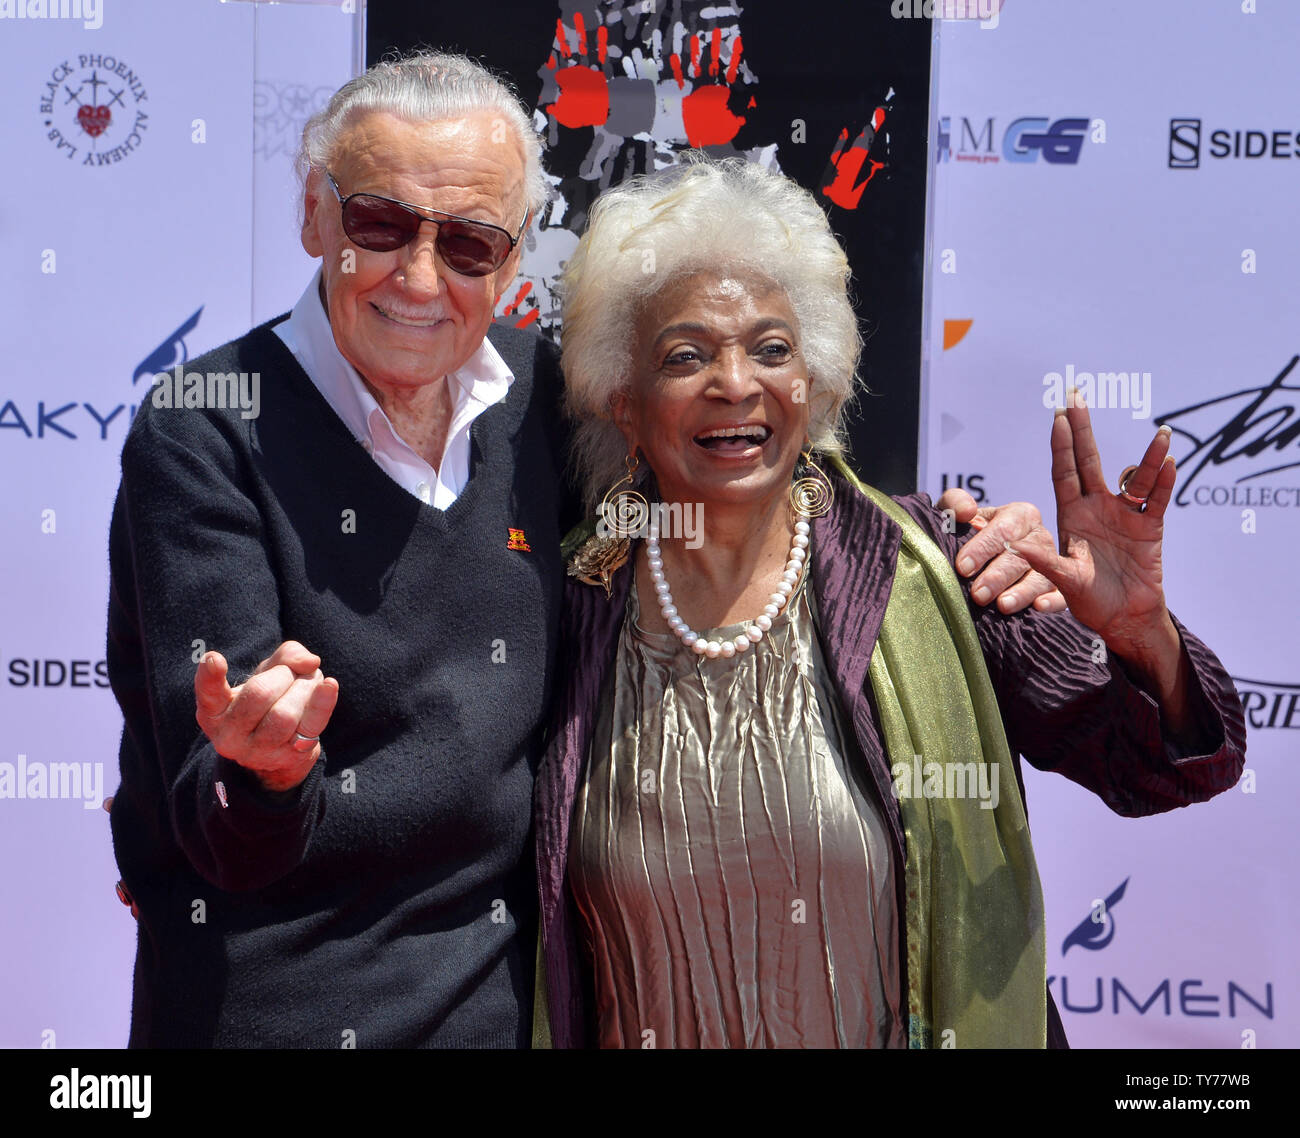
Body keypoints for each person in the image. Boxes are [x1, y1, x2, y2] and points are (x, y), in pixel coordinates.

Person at [106, 50, 1069, 1048]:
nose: (420, 277)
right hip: (273, 1020)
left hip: (499, 1017)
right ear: (315, 213)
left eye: (471, 243)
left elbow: (733, 479)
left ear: (517, 257)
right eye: (380, 225)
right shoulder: (209, 426)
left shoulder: (539, 403)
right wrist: (263, 772)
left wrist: (948, 536)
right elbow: (209, 812)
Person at [534, 155, 1248, 1049]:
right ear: (621, 401)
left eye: (772, 348)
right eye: (686, 355)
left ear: (817, 386)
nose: (734, 382)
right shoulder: (561, 606)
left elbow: (1166, 768)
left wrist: (1143, 638)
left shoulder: (933, 565)